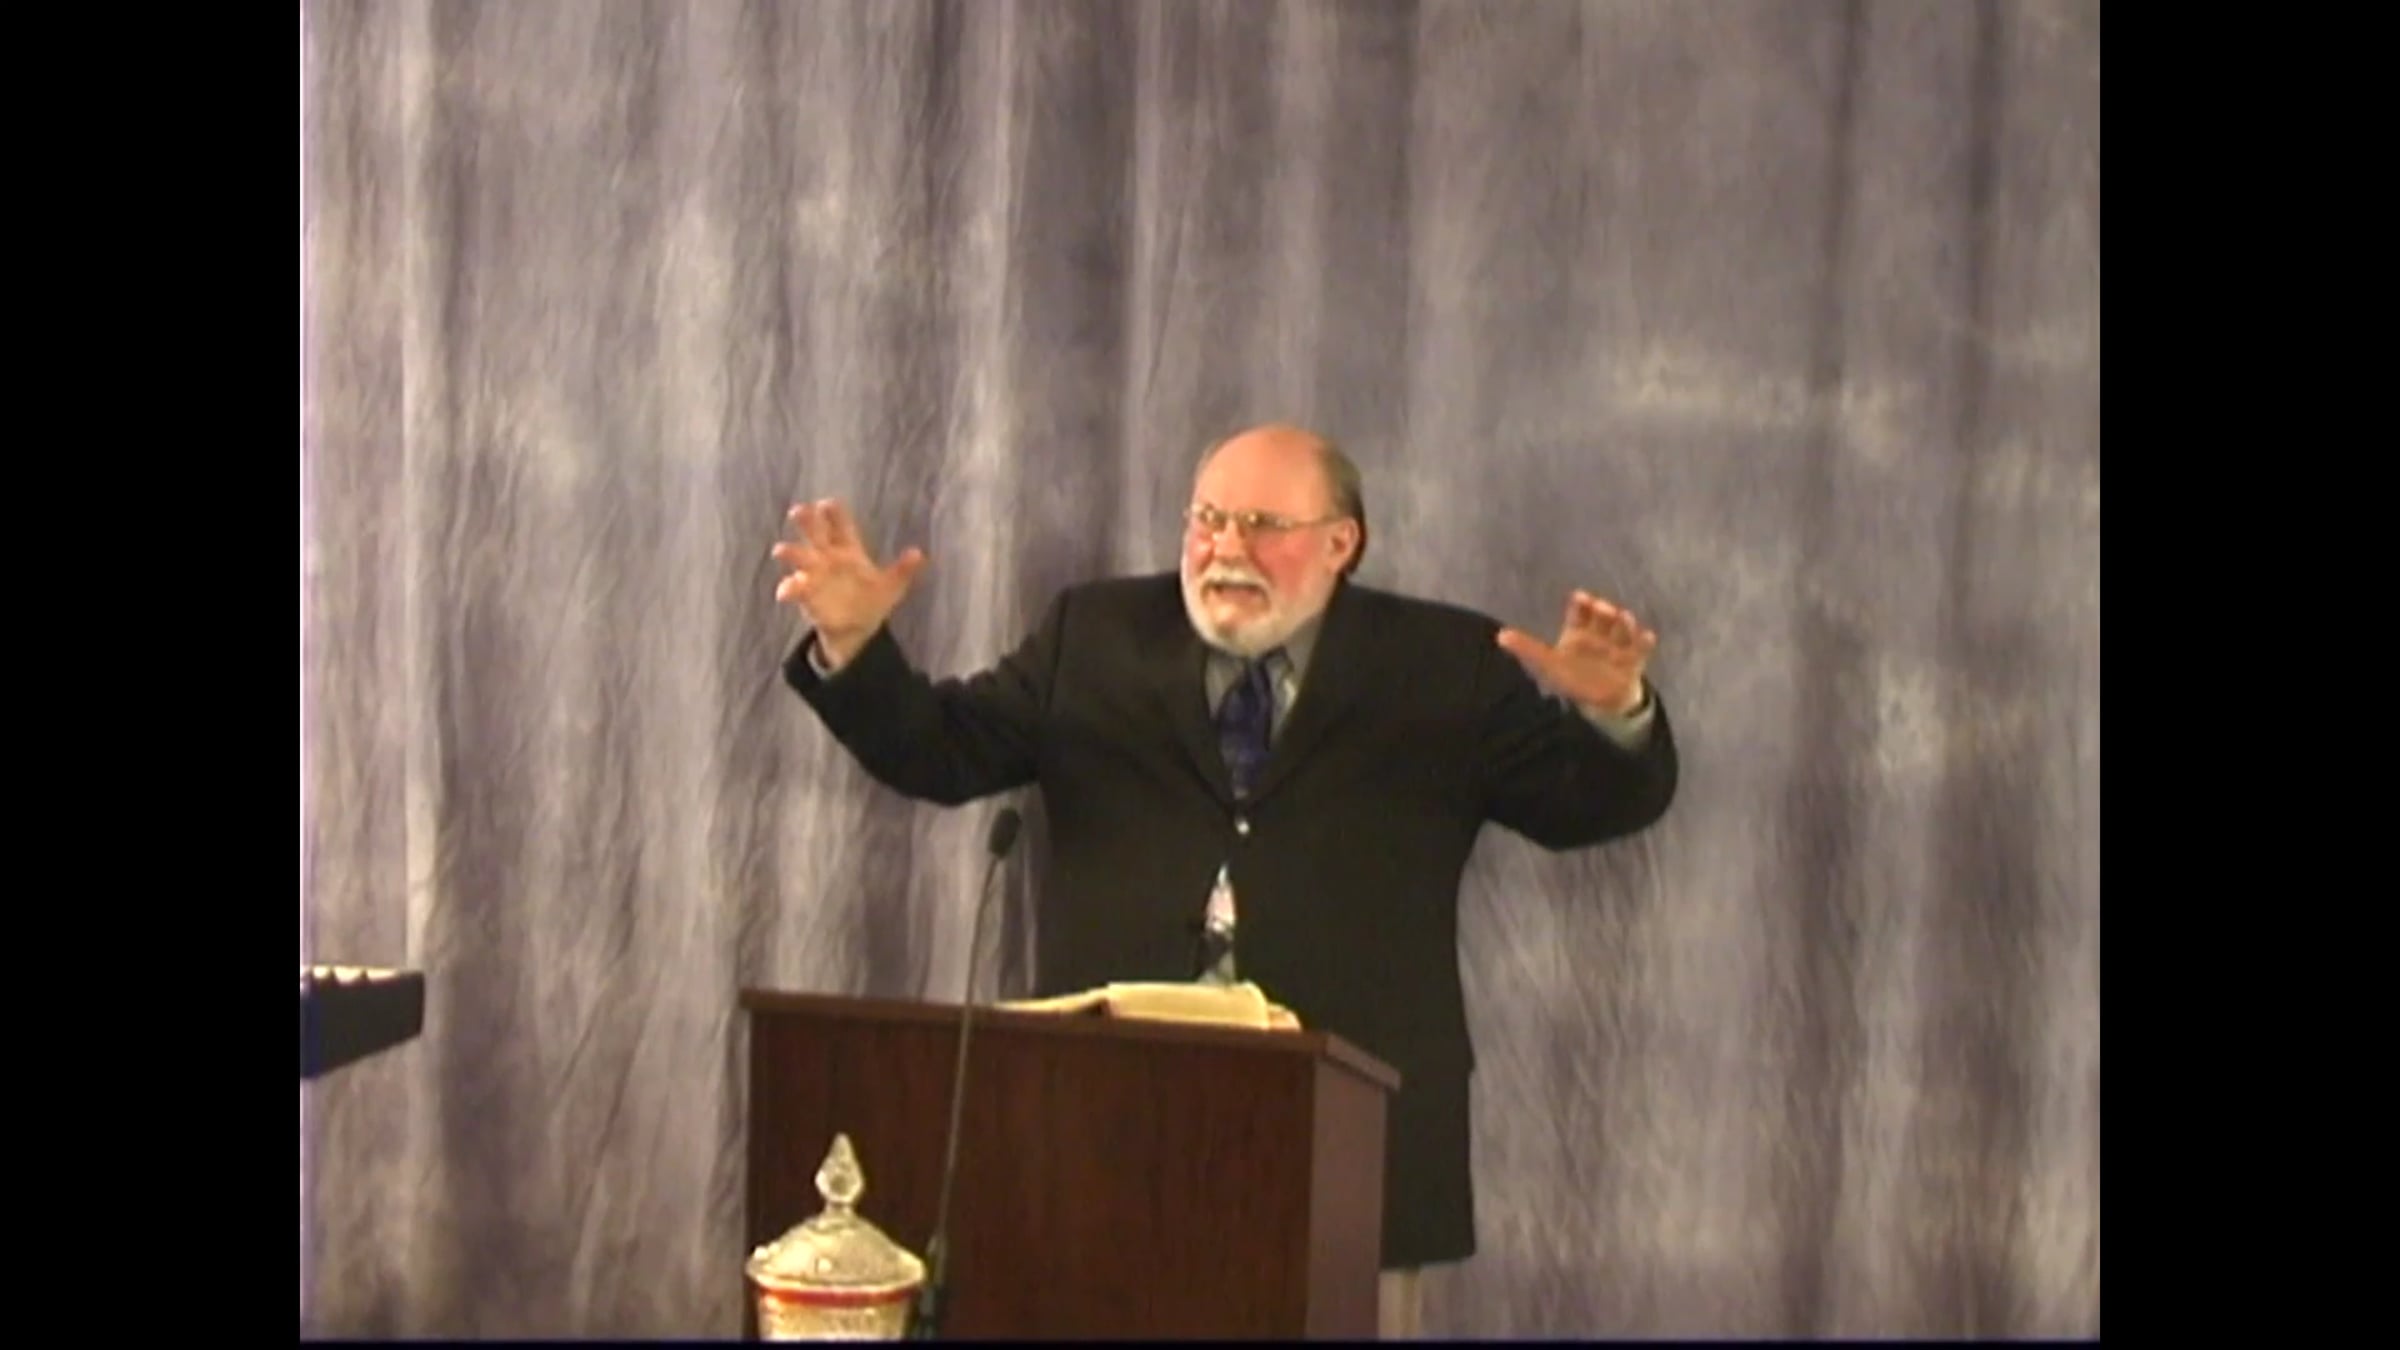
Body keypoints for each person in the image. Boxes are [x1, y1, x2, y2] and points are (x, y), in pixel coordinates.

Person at [771, 423, 1678, 1337]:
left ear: (1341, 541)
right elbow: (942, 751)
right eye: (1207, 519)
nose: (1226, 548)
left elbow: (1582, 808)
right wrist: (854, 644)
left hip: (1353, 1139)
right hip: (1106, 1122)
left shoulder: (1445, 663)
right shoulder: (1093, 633)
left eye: (1263, 525)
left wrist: (1614, 716)